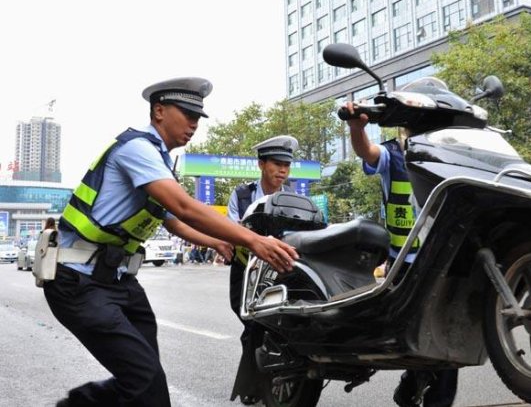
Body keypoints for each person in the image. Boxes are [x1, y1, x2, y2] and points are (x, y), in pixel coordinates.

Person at [44, 77, 298, 407]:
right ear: (159, 111)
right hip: (78, 280)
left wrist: (217, 243)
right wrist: (253, 240)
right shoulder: (138, 149)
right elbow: (183, 207)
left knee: (144, 380)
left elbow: (172, 221)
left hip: (118, 283)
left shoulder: (160, 162)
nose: (193, 124)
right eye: (187, 114)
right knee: (145, 379)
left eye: (197, 118)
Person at [345, 101, 458, 407]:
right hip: (404, 264)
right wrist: (357, 128)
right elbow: (367, 152)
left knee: (447, 331)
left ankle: (428, 394)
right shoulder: (392, 153)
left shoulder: (451, 154)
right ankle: (414, 381)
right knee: (415, 331)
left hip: (445, 259)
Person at [226, 135, 298, 404]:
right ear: (261, 164)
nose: (282, 171)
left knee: (270, 328)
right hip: (244, 273)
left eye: (286, 166)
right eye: (277, 164)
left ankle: (260, 384)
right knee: (251, 323)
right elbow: (231, 229)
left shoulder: (293, 198)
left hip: (279, 273)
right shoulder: (241, 194)